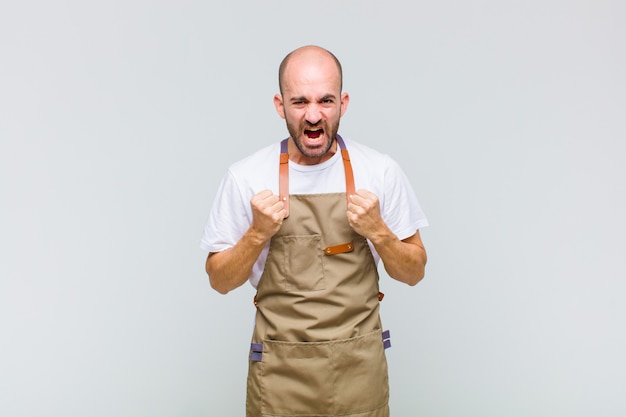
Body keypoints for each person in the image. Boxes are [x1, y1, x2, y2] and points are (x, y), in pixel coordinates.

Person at [200, 45, 428, 417]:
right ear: (280, 105)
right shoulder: (246, 177)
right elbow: (219, 281)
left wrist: (379, 232)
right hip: (279, 378)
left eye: (325, 100)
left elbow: (414, 272)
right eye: (299, 101)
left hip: (359, 373)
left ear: (343, 103)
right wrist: (257, 234)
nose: (313, 115)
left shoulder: (380, 171)